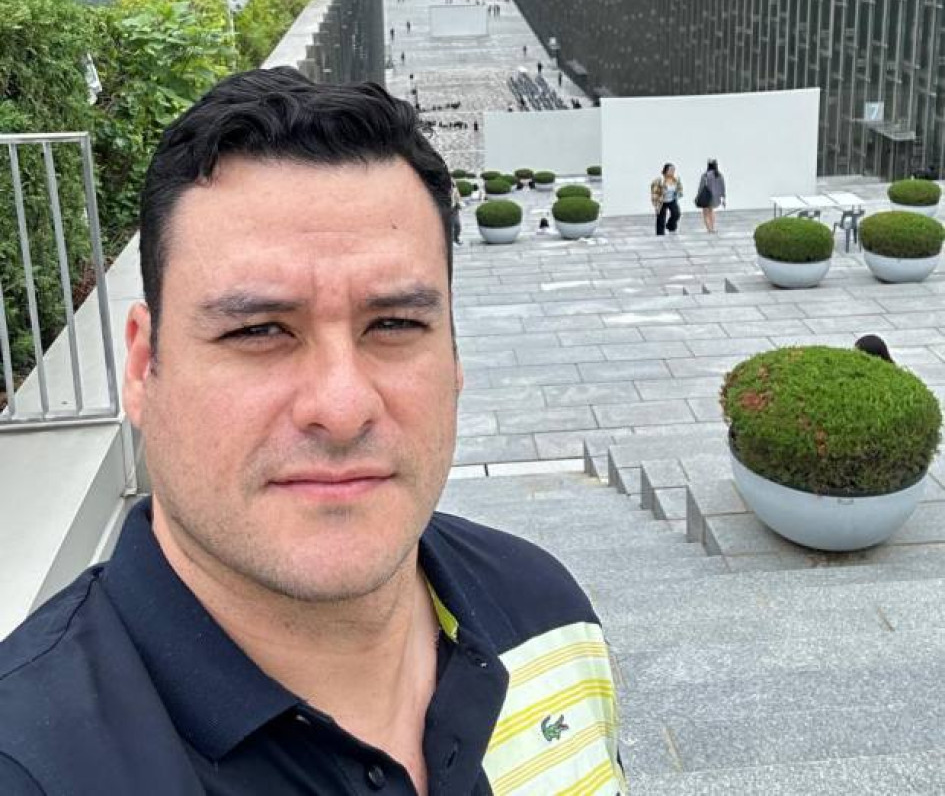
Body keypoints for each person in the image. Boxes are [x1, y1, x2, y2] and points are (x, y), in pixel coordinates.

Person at [0, 69, 626, 795]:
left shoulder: (547, 615)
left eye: (394, 324)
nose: (342, 406)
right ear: (143, 369)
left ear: (455, 357)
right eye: (258, 330)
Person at [651, 162, 683, 235]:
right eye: (671, 170)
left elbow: (680, 189)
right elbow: (654, 193)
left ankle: (670, 226)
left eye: (673, 170)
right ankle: (660, 233)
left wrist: (679, 194)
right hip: (661, 201)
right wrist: (656, 204)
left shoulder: (676, 179)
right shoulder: (659, 180)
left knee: (676, 213)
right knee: (661, 218)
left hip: (671, 200)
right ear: (665, 171)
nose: (672, 172)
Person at [696, 158, 727, 233]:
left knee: (705, 214)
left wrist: (698, 196)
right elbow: (723, 187)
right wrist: (723, 198)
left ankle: (709, 229)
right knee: (711, 211)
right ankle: (712, 228)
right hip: (716, 198)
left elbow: (701, 187)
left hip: (706, 197)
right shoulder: (719, 175)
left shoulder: (705, 175)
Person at [450, 181, 463, 245]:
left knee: (457, 225)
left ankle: (456, 238)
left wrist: (459, 203)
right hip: (446, 209)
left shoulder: (455, 188)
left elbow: (458, 198)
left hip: (454, 209)